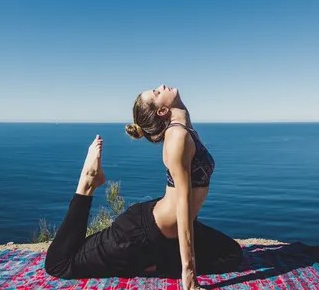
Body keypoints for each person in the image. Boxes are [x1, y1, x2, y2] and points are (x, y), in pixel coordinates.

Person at [45, 85, 242, 290]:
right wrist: (189, 276)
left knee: (232, 254)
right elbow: (182, 206)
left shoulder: (185, 130)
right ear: (162, 111)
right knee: (60, 264)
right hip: (139, 234)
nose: (161, 87)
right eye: (156, 93)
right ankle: (88, 182)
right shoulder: (177, 137)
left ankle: (152, 262)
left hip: (167, 232)